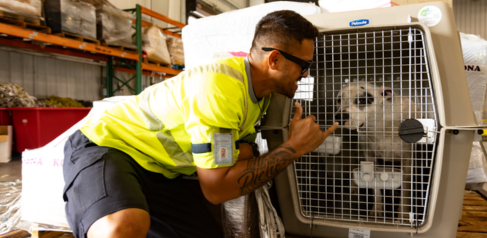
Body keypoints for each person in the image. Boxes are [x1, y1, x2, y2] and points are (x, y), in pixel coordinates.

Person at [62, 10, 338, 238]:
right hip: (111, 146)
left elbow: (237, 157)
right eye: (303, 66)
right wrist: (294, 147)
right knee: (124, 226)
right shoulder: (219, 89)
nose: (305, 75)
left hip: (160, 169)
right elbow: (216, 189)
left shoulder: (261, 95)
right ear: (274, 59)